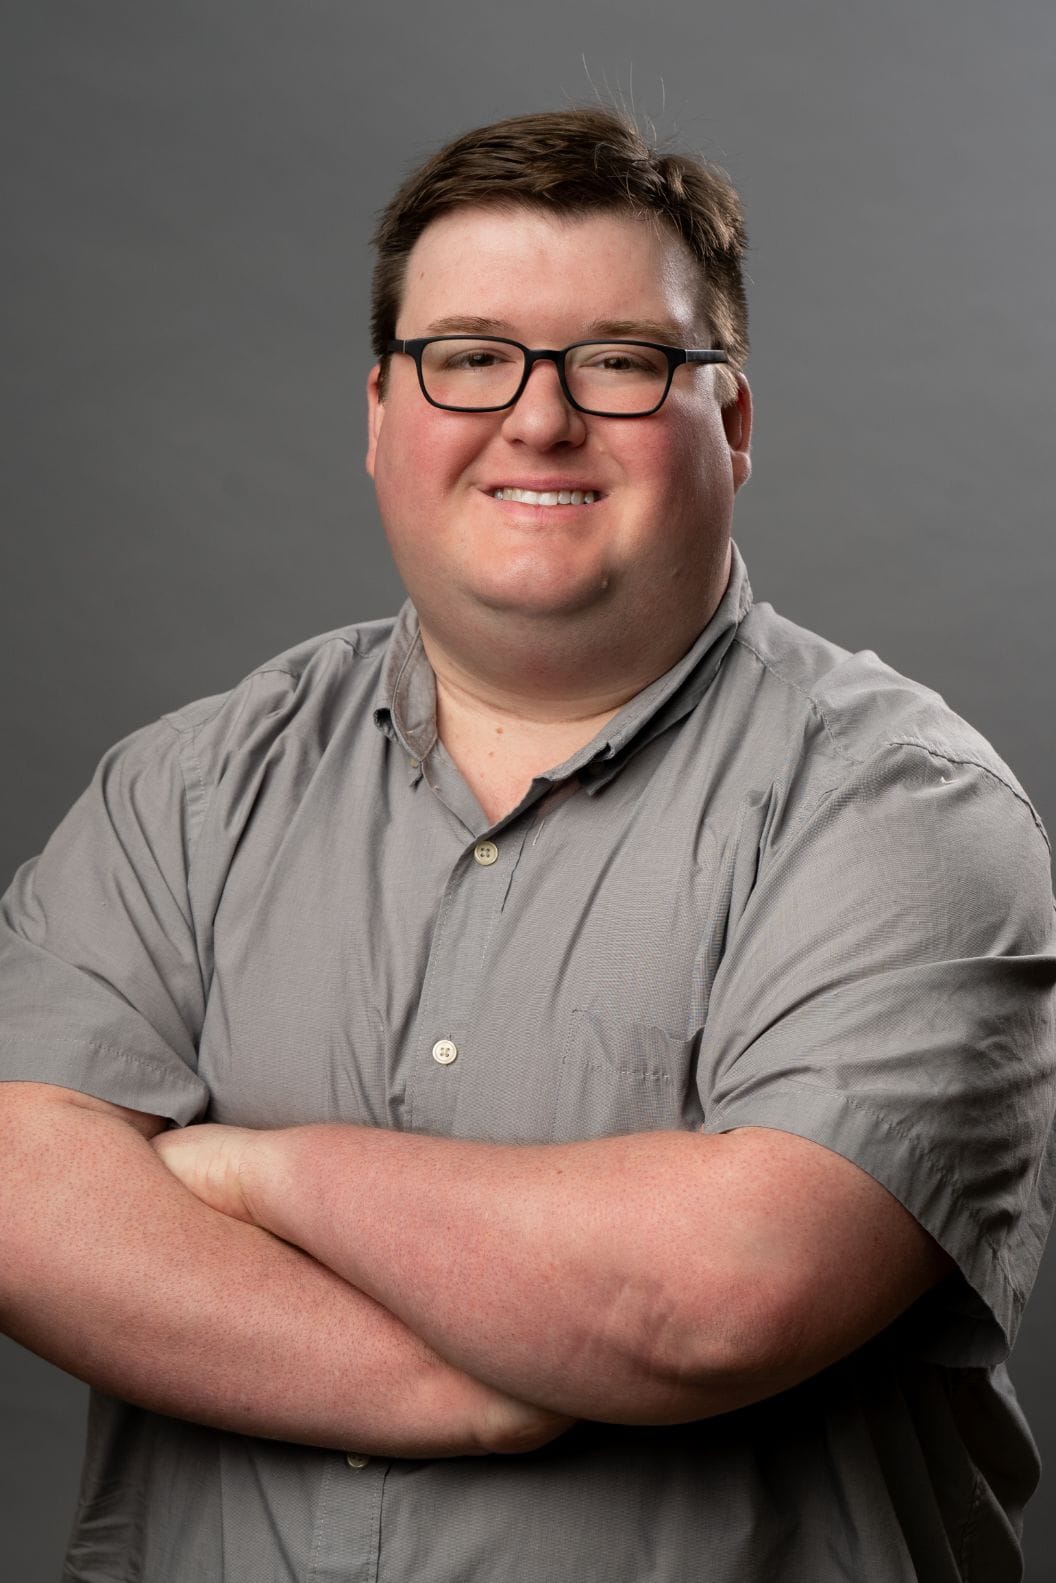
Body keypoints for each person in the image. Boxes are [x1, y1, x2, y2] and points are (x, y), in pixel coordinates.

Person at [0, 106, 1053, 1583]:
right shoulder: (186, 791)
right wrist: (479, 1389)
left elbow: (716, 1299)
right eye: (469, 356)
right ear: (382, 412)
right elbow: (20, 1195)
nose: (540, 419)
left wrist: (255, 1178)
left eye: (619, 361)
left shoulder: (906, 813)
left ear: (733, 421)